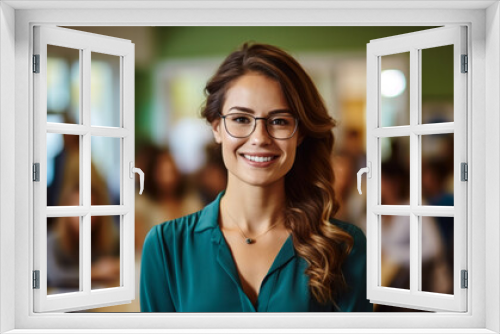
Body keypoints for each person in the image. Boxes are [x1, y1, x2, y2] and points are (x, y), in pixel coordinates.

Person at [140, 43, 372, 312]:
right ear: (217, 128)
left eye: (279, 121)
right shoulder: (166, 246)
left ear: (301, 134)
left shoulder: (341, 246)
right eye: (241, 119)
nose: (260, 138)